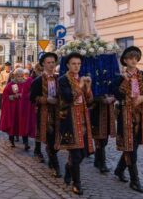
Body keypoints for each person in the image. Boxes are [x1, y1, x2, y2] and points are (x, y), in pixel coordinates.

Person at [113, 46, 143, 193]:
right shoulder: (119, 77)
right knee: (130, 148)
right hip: (125, 116)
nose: (133, 60)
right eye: (130, 58)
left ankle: (119, 169)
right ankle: (135, 180)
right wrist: (125, 81)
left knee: (133, 146)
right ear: (125, 60)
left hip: (142, 117)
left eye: (135, 57)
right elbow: (116, 94)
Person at [56, 52, 95, 195]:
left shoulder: (83, 79)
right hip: (70, 121)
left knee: (83, 153)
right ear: (67, 65)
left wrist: (88, 88)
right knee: (76, 155)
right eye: (73, 63)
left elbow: (90, 101)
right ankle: (76, 183)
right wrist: (79, 85)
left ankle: (68, 167)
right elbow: (68, 97)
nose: (77, 66)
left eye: (79, 64)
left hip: (83, 121)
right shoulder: (63, 80)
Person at [30, 52, 61, 178]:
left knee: (57, 141)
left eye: (53, 62)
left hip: (58, 113)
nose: (51, 65)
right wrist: (46, 100)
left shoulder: (60, 78)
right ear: (43, 64)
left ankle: (51, 157)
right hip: (44, 114)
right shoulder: (38, 81)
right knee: (50, 139)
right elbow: (32, 98)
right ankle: (55, 166)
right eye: (48, 62)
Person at [0, 68, 35, 150]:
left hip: (23, 109)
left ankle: (26, 143)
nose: (20, 77)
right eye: (18, 76)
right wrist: (13, 96)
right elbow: (5, 97)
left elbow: (30, 94)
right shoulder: (10, 85)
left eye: (21, 76)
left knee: (24, 125)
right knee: (13, 125)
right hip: (13, 110)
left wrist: (25, 96)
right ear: (14, 76)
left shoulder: (26, 84)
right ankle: (11, 140)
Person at [91, 95, 116, 173]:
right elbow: (92, 97)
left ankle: (97, 161)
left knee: (104, 141)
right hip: (98, 114)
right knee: (101, 140)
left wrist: (112, 98)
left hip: (108, 114)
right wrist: (102, 99)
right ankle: (102, 164)